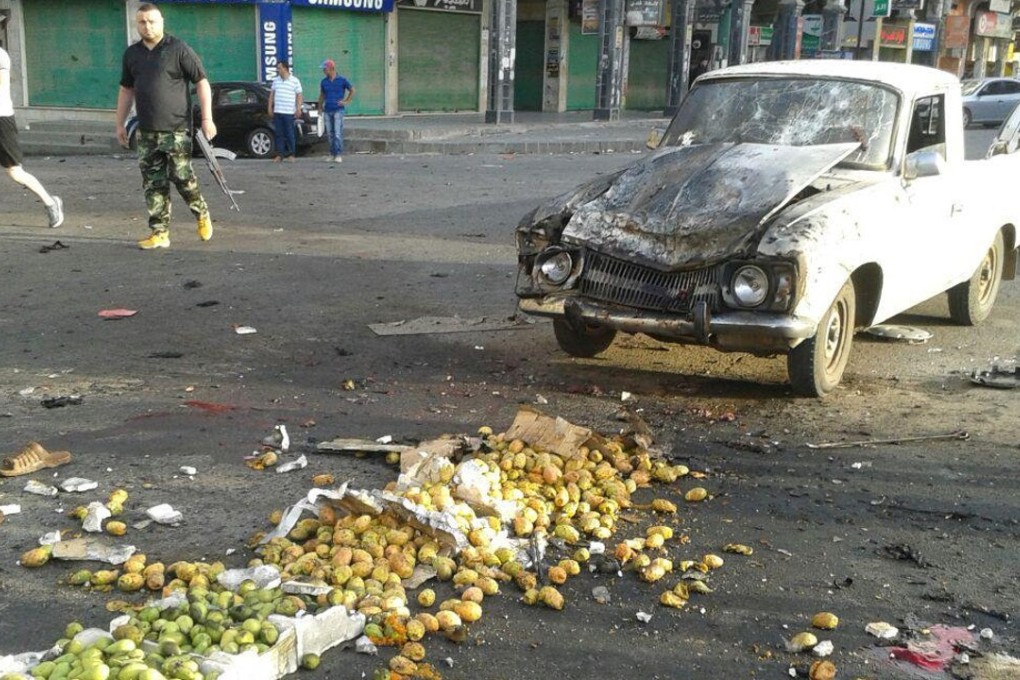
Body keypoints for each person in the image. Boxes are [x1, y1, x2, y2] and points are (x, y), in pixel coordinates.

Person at [115, 2, 215, 250]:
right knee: (153, 182)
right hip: (146, 130)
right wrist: (120, 123)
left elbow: (201, 82)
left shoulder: (178, 49)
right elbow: (126, 90)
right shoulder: (132, 54)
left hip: (176, 128)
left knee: (181, 176)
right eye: (142, 22)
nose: (147, 26)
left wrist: (207, 118)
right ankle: (159, 233)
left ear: (162, 22)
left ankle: (201, 212)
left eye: (152, 21)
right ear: (136, 24)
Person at [0, 46, 63, 228]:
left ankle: (51, 203)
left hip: (2, 118)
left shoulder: (1, 56)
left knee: (14, 171)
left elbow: (2, 88)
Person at [317, 59, 355, 163]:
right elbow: (322, 95)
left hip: (338, 110)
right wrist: (320, 108)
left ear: (331, 68)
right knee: (330, 133)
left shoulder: (342, 80)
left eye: (325, 69)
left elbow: (352, 90)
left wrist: (346, 101)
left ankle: (338, 154)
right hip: (327, 110)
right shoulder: (324, 82)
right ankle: (332, 153)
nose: (324, 71)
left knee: (337, 133)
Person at [268, 60, 302, 163]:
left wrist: (298, 108)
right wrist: (270, 107)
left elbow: (299, 95)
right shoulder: (276, 81)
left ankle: (291, 154)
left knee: (289, 133)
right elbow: (272, 95)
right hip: (278, 111)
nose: (278, 70)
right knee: (279, 134)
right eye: (277, 68)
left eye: (280, 68)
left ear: (285, 68)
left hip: (288, 112)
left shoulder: (295, 81)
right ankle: (280, 154)